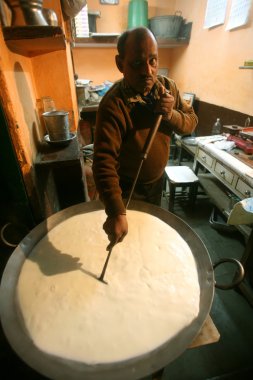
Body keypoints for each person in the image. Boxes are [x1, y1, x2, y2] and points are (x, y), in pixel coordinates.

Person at [92, 26, 198, 249]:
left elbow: (190, 123)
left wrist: (171, 114)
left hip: (156, 183)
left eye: (153, 61)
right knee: (127, 241)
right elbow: (104, 162)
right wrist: (116, 210)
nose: (148, 71)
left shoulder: (168, 89)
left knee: (148, 237)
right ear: (120, 64)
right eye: (137, 63)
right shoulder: (114, 104)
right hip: (128, 187)